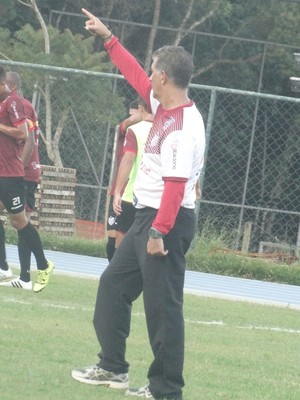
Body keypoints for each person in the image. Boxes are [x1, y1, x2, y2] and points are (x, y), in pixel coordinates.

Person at [71, 9, 206, 400]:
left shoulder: (181, 127)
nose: (148, 74)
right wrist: (109, 37)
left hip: (167, 222)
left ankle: (166, 390)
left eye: (153, 69)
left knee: (163, 310)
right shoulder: (164, 106)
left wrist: (159, 232)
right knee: (113, 286)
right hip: (147, 218)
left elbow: (177, 187)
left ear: (164, 76)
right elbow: (132, 72)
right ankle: (112, 368)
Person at [0, 67, 54, 292]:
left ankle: (43, 265)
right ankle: (4, 267)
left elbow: (23, 134)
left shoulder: (14, 102)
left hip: (10, 174)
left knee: (19, 221)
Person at [112, 97, 153, 249]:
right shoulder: (168, 129)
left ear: (140, 108)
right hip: (156, 199)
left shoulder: (136, 130)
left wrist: (117, 191)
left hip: (133, 195)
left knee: (121, 246)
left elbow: (128, 158)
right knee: (146, 246)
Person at [105, 101, 144, 260]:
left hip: (134, 195)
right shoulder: (125, 131)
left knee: (128, 241)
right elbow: (124, 125)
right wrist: (135, 117)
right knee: (112, 239)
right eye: (130, 114)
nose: (132, 118)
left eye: (135, 113)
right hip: (118, 192)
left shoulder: (145, 132)